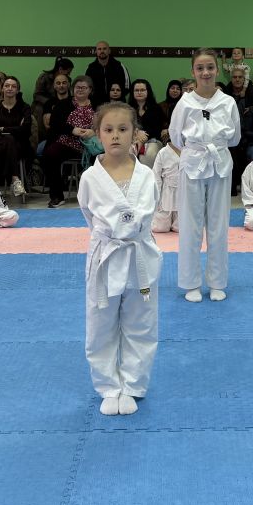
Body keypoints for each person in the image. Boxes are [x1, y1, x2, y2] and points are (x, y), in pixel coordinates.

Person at [79, 101, 162, 416]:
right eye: (108, 129)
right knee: (101, 323)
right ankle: (108, 387)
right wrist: (113, 235)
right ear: (98, 134)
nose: (115, 135)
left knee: (141, 321)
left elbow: (150, 213)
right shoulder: (90, 177)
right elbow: (89, 216)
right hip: (106, 255)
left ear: (135, 133)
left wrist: (127, 232)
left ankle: (133, 384)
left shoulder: (147, 175)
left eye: (123, 129)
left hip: (140, 254)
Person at [169, 47, 241, 302]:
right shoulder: (184, 103)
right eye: (200, 68)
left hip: (219, 163)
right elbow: (176, 136)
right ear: (193, 72)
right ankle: (191, 283)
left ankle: (217, 282)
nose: (205, 72)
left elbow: (235, 138)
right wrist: (196, 148)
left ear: (217, 70)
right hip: (192, 163)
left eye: (210, 67)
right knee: (190, 225)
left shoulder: (228, 102)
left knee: (218, 225)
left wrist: (213, 146)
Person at [44, 75, 96, 207]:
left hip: (92, 144)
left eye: (84, 87)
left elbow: (106, 123)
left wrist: (93, 131)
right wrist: (72, 130)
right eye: (78, 87)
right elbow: (55, 124)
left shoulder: (98, 105)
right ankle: (57, 196)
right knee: (51, 153)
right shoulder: (63, 104)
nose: (80, 90)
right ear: (73, 89)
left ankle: (97, 197)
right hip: (68, 142)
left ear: (90, 90)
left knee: (104, 156)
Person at [0, 76, 32, 200]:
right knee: (9, 140)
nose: (10, 88)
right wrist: (16, 128)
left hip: (20, 144)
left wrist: (4, 129)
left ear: (17, 90)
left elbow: (26, 130)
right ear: (2, 89)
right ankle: (15, 179)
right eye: (7, 86)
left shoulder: (25, 107)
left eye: (13, 86)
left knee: (2, 148)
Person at [129, 79, 165, 168]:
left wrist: (143, 136)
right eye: (136, 90)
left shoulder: (156, 108)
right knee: (126, 153)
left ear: (148, 91)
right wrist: (137, 133)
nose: (139, 92)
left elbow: (157, 128)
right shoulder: (127, 109)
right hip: (131, 138)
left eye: (142, 90)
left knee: (147, 156)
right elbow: (124, 126)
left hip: (153, 140)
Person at [85, 41, 130, 106]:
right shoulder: (90, 68)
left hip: (117, 104)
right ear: (96, 51)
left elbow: (127, 86)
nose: (102, 51)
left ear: (109, 51)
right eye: (99, 49)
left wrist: (118, 96)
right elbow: (86, 87)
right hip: (96, 105)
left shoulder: (119, 66)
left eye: (104, 49)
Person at [151, 141, 181, 233]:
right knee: (160, 228)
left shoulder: (188, 151)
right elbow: (156, 176)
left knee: (180, 228)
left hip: (183, 193)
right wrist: (156, 198)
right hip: (166, 193)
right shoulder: (163, 152)